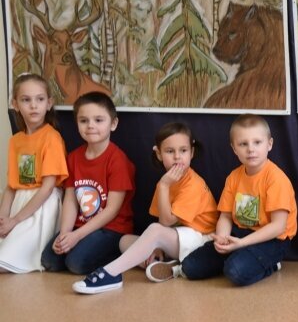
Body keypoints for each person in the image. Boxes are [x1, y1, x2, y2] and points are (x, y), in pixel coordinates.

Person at [72, 122, 218, 294]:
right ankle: (162, 263)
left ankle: (111, 274)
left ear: (191, 153)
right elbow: (165, 225)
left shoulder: (192, 184)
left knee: (154, 230)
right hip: (177, 239)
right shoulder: (166, 182)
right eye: (170, 151)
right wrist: (156, 246)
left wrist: (164, 186)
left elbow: (165, 222)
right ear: (158, 154)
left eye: (183, 151)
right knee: (124, 240)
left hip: (201, 241)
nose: (178, 157)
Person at [173, 114, 296, 287]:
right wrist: (222, 238)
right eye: (243, 144)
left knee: (235, 272)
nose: (250, 149)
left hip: (273, 240)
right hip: (240, 233)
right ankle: (236, 257)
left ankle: (270, 265)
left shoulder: (276, 179)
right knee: (190, 267)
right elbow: (226, 216)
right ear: (234, 149)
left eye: (257, 142)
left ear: (269, 144)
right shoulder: (234, 177)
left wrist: (242, 244)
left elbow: (278, 227)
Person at [41, 92, 135, 275]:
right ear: (77, 124)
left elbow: (112, 210)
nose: (91, 125)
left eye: (99, 120)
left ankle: (122, 251)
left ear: (113, 124)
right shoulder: (74, 157)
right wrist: (65, 234)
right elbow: (70, 200)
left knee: (76, 264)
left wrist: (77, 236)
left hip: (111, 229)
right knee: (49, 261)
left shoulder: (118, 161)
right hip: (81, 225)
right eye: (84, 121)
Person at [0, 73, 68, 273]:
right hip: (20, 204)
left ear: (49, 103)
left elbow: (47, 188)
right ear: (15, 104)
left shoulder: (52, 138)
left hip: (42, 206)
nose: (33, 105)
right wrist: (4, 218)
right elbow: (12, 186)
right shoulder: (15, 141)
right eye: (26, 100)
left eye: (39, 99)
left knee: (7, 259)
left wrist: (16, 220)